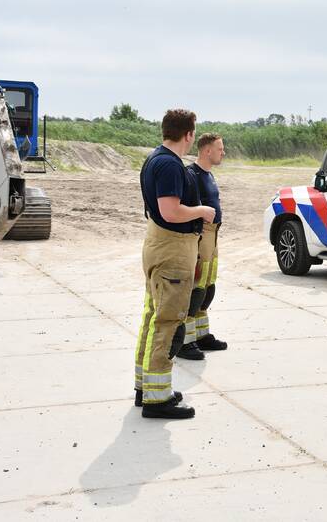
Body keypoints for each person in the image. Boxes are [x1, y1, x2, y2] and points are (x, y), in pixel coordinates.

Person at [133, 109, 215, 419]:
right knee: (169, 322)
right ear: (189, 134)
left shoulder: (155, 158)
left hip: (160, 245)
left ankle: (146, 388)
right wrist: (202, 211)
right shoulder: (169, 164)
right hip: (172, 250)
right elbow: (170, 211)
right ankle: (158, 399)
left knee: (153, 317)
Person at [178, 133, 228, 360]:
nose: (223, 152)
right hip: (201, 236)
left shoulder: (208, 175)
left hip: (213, 235)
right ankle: (184, 342)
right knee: (196, 289)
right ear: (207, 150)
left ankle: (201, 335)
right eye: (219, 149)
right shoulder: (191, 175)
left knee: (208, 288)